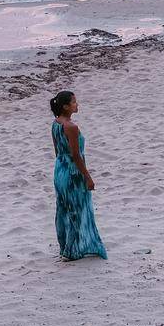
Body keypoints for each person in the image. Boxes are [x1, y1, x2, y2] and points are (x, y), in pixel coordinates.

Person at [49, 91, 107, 261]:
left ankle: (65, 247)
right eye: (74, 102)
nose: (77, 104)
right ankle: (71, 251)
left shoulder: (56, 124)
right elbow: (76, 156)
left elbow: (57, 151)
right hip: (72, 172)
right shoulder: (71, 127)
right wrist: (88, 177)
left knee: (63, 209)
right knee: (77, 210)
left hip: (59, 169)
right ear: (66, 106)